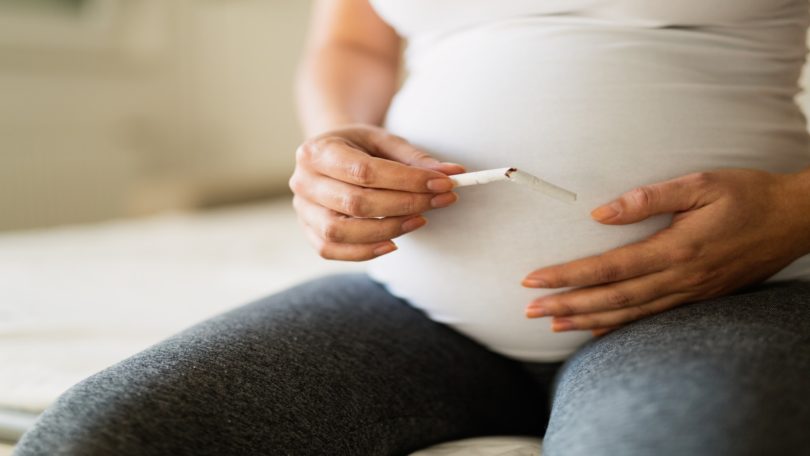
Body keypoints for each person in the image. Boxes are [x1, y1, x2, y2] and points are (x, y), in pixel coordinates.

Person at [14, 0, 810, 455]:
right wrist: (332, 148)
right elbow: (353, 38)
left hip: (722, 300)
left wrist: (793, 211)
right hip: (411, 303)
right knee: (104, 435)